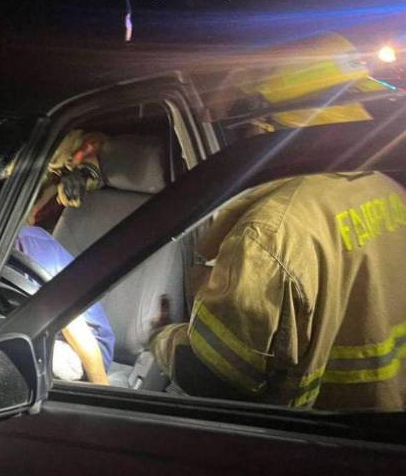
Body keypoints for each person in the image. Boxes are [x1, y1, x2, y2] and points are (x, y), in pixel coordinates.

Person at [150, 171, 406, 411]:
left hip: (312, 440)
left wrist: (162, 338)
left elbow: (214, 381)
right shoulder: (384, 188)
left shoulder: (267, 236)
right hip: (385, 424)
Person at [16, 225, 114, 385]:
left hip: (80, 351)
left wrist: (102, 392)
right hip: (39, 333)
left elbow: (73, 324)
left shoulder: (29, 245)